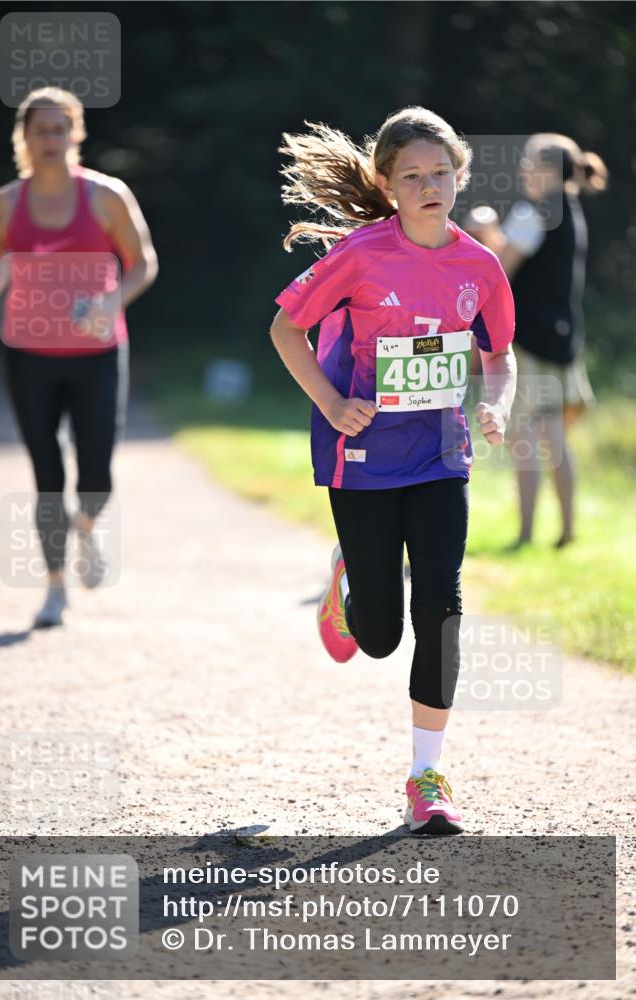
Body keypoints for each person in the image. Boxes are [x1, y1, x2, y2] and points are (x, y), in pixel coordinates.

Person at [270, 108, 517, 834]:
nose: (429, 186)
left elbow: (498, 354)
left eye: (440, 172)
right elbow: (285, 327)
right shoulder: (360, 254)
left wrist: (496, 404)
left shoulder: (480, 266)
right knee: (377, 636)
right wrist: (331, 401)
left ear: (459, 174)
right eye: (411, 176)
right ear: (385, 183)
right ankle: (349, 575)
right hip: (362, 454)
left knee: (440, 605)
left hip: (440, 455)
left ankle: (426, 776)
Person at [0, 87, 158, 627]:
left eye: (60, 128)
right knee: (47, 473)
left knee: (96, 472)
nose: (50, 139)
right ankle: (55, 588)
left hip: (97, 352)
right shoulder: (1, 206)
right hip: (29, 355)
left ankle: (86, 526)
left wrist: (111, 301)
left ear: (76, 134)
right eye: (41, 130)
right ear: (24, 138)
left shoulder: (106, 196)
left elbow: (143, 263)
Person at [464, 133, 608, 548]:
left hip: (528, 341)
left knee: (524, 437)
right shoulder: (571, 212)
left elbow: (500, 270)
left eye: (530, 163)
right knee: (555, 437)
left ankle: (526, 535)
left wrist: (484, 230)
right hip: (563, 339)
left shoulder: (533, 212)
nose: (523, 170)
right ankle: (566, 532)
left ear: (549, 169)